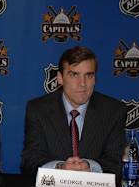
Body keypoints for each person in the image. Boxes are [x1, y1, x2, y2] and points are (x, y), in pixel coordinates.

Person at [21, 46, 126, 174]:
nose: (82, 83)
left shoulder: (113, 111)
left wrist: (89, 166)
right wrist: (60, 168)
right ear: (60, 78)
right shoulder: (38, 109)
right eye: (74, 74)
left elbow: (116, 162)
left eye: (89, 75)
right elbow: (31, 161)